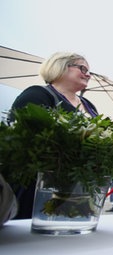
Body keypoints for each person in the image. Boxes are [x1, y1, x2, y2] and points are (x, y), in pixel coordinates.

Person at [9, 52, 99, 219]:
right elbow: (23, 140)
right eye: (82, 68)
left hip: (77, 188)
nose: (88, 74)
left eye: (89, 71)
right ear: (61, 67)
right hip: (37, 186)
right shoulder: (37, 94)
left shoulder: (89, 105)